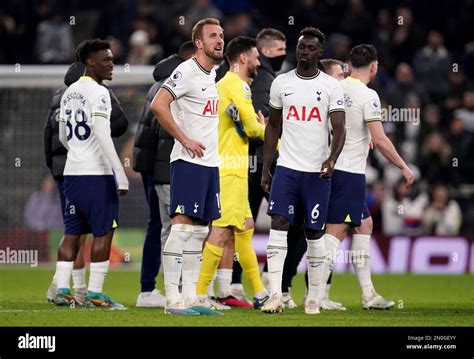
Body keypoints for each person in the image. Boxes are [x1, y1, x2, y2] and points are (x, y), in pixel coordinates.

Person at [260, 27, 346, 315]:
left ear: (320, 52)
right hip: (286, 168)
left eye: (311, 48)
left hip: (317, 172)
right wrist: (266, 169)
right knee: (278, 224)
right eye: (301, 47)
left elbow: (339, 127)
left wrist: (332, 158)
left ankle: (314, 298)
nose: (305, 52)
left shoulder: (332, 87)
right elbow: (273, 127)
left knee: (313, 232)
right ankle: (274, 295)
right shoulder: (282, 83)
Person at [322, 44, 414, 310]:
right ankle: (316, 297)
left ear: (350, 65)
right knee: (336, 232)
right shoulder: (368, 94)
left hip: (334, 166)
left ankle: (368, 294)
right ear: (374, 67)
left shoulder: (336, 88)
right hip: (349, 171)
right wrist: (402, 167)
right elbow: (381, 138)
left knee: (364, 225)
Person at [150, 18, 224, 316]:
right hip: (188, 162)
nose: (220, 40)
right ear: (199, 43)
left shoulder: (212, 74)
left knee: (199, 232)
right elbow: (158, 104)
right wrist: (184, 138)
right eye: (213, 36)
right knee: (181, 230)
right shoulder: (186, 71)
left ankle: (192, 298)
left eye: (221, 35)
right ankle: (172, 300)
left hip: (210, 164)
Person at [44, 60, 128, 305]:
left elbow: (54, 137)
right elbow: (114, 128)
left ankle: (66, 290)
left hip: (68, 173)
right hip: (94, 173)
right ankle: (93, 294)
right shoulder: (99, 93)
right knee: (104, 230)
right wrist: (118, 171)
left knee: (73, 232)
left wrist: (63, 162)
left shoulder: (62, 98)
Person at [195, 36, 270, 310]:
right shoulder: (237, 85)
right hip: (228, 170)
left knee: (244, 228)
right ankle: (199, 294)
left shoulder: (224, 84)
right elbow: (252, 128)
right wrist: (278, 137)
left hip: (231, 168)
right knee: (221, 231)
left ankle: (261, 293)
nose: (259, 62)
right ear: (242, 59)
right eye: (255, 57)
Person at [132, 40, 195, 308]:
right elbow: (163, 135)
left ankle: (150, 289)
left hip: (150, 164)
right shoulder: (177, 85)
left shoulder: (160, 83)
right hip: (162, 166)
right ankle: (173, 289)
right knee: (172, 226)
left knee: (158, 225)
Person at [229, 28, 287, 303]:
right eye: (279, 51)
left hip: (248, 162)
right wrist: (276, 151)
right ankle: (270, 281)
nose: (284, 56)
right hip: (259, 163)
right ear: (262, 53)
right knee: (281, 218)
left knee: (241, 225)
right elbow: (261, 123)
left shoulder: (259, 77)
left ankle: (235, 283)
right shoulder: (262, 79)